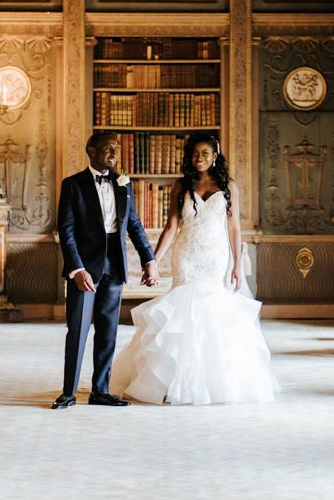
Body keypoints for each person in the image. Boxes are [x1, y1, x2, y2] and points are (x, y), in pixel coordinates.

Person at [110, 133, 277, 406]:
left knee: (212, 311)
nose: (199, 159)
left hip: (215, 255)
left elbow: (234, 228)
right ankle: (169, 382)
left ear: (215, 156)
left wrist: (236, 264)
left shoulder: (229, 186)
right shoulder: (181, 186)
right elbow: (172, 226)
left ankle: (213, 383)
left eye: (205, 154)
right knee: (182, 310)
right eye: (195, 154)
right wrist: (152, 261)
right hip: (186, 254)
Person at [53, 132, 159, 409]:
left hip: (114, 266)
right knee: (77, 331)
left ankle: (100, 390)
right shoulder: (72, 185)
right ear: (91, 150)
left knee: (108, 332)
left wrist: (149, 259)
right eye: (107, 148)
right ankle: (68, 392)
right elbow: (67, 231)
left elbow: (133, 225)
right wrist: (77, 270)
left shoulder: (123, 184)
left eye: (116, 149)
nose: (113, 153)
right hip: (84, 269)